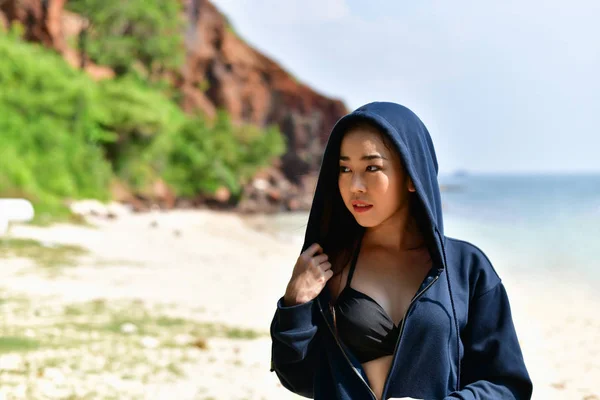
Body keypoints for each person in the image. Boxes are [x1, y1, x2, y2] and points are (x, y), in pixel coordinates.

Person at [269, 102, 533, 400]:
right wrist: (295, 305)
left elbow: (508, 385)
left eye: (372, 167)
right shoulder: (330, 265)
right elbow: (298, 378)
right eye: (345, 168)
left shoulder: (466, 269)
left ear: (411, 175)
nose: (355, 186)